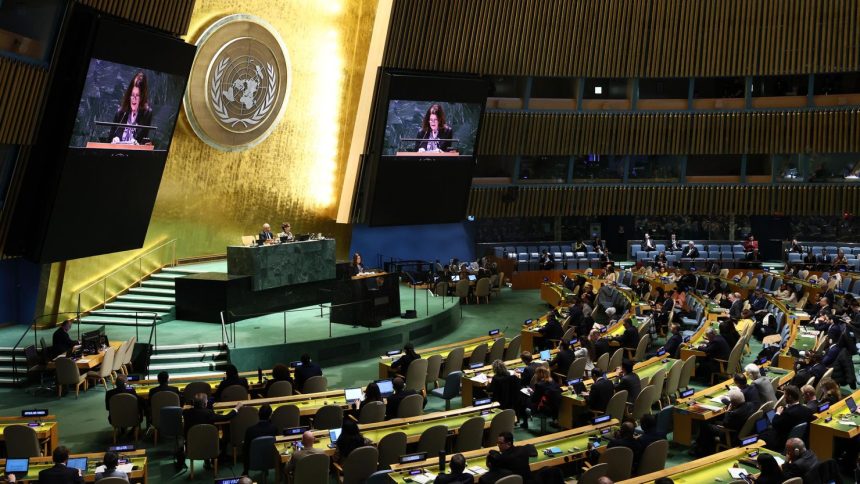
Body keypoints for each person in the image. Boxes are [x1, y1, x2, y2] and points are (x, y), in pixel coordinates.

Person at [691, 389, 753, 456]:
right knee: (712, 421)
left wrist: (727, 411)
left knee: (704, 424)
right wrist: (728, 402)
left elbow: (725, 424)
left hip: (729, 434)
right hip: (741, 431)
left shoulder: (734, 413)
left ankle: (702, 450)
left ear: (733, 403)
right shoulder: (749, 405)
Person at [110, 71, 152, 145]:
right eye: (132, 95)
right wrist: (115, 139)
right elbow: (110, 137)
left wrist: (136, 143)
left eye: (137, 95)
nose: (134, 99)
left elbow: (144, 140)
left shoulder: (147, 113)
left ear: (142, 97)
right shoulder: (120, 112)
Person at [242, 404, 278, 475]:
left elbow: (246, 449)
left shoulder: (250, 430)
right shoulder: (274, 429)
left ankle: (245, 472)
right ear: (270, 416)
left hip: (253, 462)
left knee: (244, 447)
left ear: (258, 415)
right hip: (272, 461)